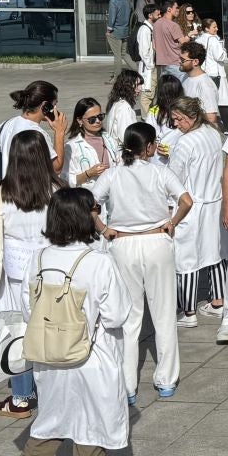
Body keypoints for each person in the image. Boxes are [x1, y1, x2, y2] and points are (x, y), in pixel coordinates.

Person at [0, 189, 133, 456]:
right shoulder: (97, 261)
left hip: (49, 361)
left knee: (48, 428)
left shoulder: (39, 259)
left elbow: (29, 311)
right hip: (91, 360)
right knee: (90, 432)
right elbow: (115, 316)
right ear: (86, 217)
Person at [93, 122, 192, 403]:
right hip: (156, 241)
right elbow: (186, 200)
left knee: (129, 317)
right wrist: (172, 222)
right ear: (148, 147)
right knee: (163, 314)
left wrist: (102, 228)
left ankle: (127, 385)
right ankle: (166, 379)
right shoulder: (159, 170)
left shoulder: (113, 174)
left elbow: (89, 202)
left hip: (123, 244)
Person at [0, 132, 59, 419]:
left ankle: (21, 396)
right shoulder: (55, 189)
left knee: (15, 330)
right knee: (49, 329)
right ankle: (52, 389)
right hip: (46, 270)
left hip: (12, 276)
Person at [166, 99, 226, 325]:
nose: (175, 124)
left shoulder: (185, 142)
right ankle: (218, 300)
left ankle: (188, 311)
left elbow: (173, 178)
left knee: (186, 257)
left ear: (191, 117)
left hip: (190, 204)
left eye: (178, 119)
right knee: (216, 253)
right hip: (214, 200)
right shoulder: (212, 132)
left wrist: (168, 208)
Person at [62, 96, 113, 189]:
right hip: (88, 199)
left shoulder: (110, 139)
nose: (98, 121)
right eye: (92, 119)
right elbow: (65, 180)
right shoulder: (71, 147)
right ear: (80, 120)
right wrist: (88, 174)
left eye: (100, 116)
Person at [106, 69, 144, 146]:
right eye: (138, 84)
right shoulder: (124, 107)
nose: (140, 88)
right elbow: (126, 136)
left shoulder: (117, 102)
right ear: (127, 85)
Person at [106, 0, 132, 72]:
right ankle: (137, 70)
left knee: (117, 55)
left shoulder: (113, 1)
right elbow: (132, 14)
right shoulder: (127, 0)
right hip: (125, 30)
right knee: (124, 54)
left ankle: (117, 76)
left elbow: (112, 18)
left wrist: (109, 30)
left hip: (116, 31)